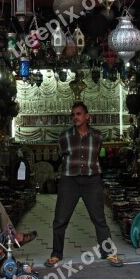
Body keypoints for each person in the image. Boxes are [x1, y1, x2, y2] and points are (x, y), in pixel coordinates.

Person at [45, 101, 122, 267]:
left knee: (99, 219)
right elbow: (61, 155)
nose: (75, 117)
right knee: (60, 219)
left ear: (87, 116)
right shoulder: (64, 136)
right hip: (69, 180)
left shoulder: (97, 136)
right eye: (73, 114)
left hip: (91, 179)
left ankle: (107, 252)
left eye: (79, 114)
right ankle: (56, 253)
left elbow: (96, 156)